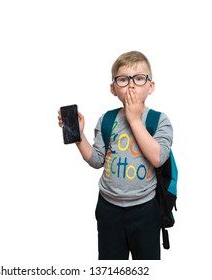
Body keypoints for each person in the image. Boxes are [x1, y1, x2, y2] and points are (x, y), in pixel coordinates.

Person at [58, 51, 173, 260]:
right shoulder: (107, 119)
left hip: (145, 209)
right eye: (123, 79)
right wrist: (79, 136)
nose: (131, 85)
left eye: (138, 79)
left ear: (151, 86)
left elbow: (158, 158)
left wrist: (134, 119)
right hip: (108, 208)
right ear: (113, 89)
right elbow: (97, 160)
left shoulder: (159, 120)